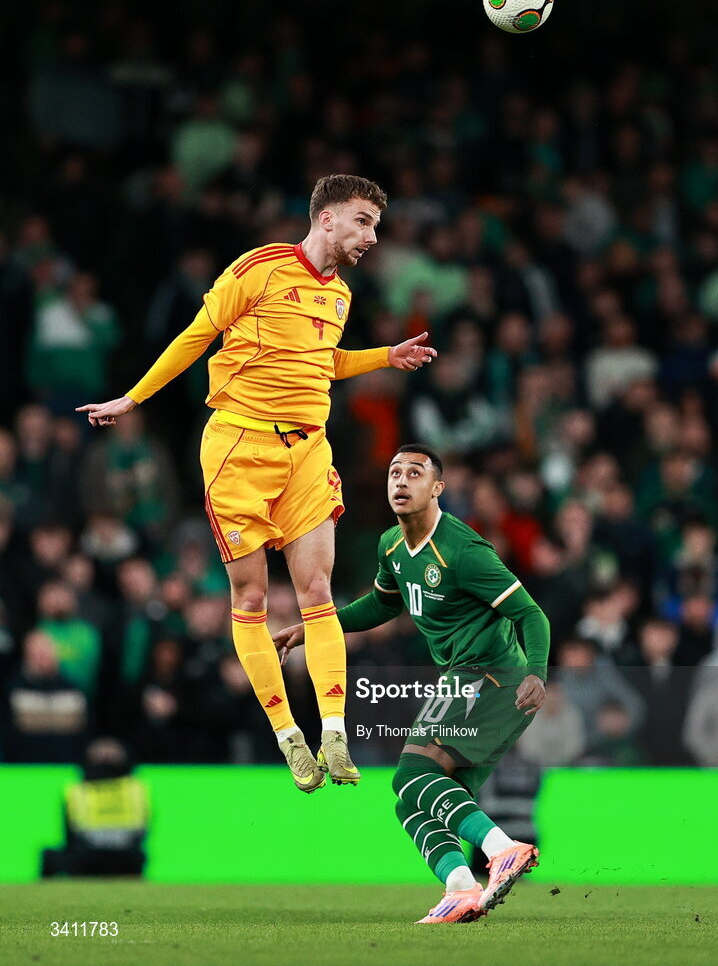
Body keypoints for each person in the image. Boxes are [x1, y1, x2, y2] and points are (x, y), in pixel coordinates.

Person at [76, 175, 436, 792]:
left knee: (317, 587)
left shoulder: (340, 296)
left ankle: (332, 730)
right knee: (249, 599)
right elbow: (197, 335)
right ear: (326, 219)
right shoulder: (258, 268)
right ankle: (288, 737)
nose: (372, 237)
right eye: (362, 222)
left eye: (375, 225)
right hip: (240, 447)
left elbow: (324, 363)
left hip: (307, 451)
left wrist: (384, 356)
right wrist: (135, 398)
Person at [274, 444, 550, 924]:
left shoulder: (464, 551)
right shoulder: (392, 546)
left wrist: (537, 672)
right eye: (394, 472)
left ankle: (501, 848)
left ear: (437, 488)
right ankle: (461, 887)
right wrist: (317, 626)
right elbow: (382, 605)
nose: (401, 481)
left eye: (415, 473)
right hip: (470, 678)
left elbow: (530, 613)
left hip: (490, 675)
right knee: (410, 801)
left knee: (409, 774)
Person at [40, 737, 149, 877]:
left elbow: (69, 834)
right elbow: (144, 830)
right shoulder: (135, 788)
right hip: (128, 858)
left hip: (88, 858)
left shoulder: (78, 790)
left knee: (50, 856)